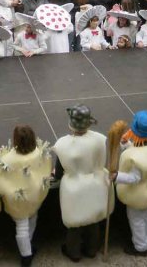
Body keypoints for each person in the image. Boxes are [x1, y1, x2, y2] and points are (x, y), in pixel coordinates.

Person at [52, 105, 109, 262]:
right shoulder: (99, 139)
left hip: (74, 189)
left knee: (74, 223)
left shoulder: (63, 144)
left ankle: (74, 252)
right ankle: (91, 250)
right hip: (95, 184)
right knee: (93, 220)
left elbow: (58, 172)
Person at [0, 125, 52, 266]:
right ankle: (28, 244)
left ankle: (26, 255)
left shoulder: (9, 159)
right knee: (33, 216)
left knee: (21, 225)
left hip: (17, 200)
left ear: (15, 140)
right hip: (34, 196)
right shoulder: (38, 153)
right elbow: (46, 167)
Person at [112, 110, 147, 257]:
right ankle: (144, 240)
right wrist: (126, 144)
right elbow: (138, 154)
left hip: (138, 196)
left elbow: (134, 177)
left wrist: (116, 176)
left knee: (136, 220)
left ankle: (141, 247)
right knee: (144, 216)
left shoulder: (136, 157)